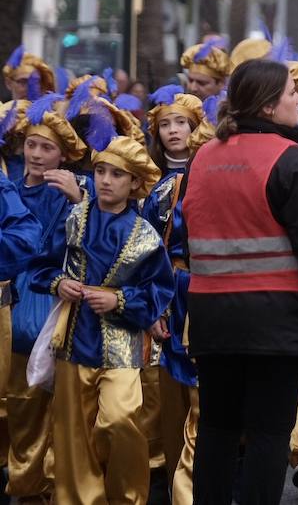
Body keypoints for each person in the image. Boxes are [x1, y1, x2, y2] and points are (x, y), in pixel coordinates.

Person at [183, 59, 298, 505]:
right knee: (267, 434)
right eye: (290, 92)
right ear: (267, 106)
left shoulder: (203, 157)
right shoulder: (290, 159)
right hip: (277, 321)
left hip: (212, 319)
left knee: (217, 429)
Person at [34, 131, 173, 505]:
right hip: (74, 338)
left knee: (120, 418)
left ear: (135, 183)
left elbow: (159, 291)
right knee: (74, 431)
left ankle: (127, 498)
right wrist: (59, 282)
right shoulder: (73, 219)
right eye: (100, 172)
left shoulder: (145, 235)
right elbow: (42, 266)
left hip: (122, 344)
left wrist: (120, 299)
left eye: (117, 174)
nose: (106, 181)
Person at [6, 94, 88, 505]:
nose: (36, 154)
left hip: (49, 298)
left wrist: (79, 199)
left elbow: (95, 241)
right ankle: (23, 482)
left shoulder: (70, 191)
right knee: (17, 401)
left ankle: (39, 488)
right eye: (31, 145)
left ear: (63, 155)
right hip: (11, 294)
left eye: (47, 148)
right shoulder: (9, 187)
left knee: (45, 400)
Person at [142, 86, 211, 505]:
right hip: (172, 290)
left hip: (208, 290)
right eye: (164, 124)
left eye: (181, 123)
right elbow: (147, 251)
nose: (173, 131)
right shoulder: (152, 186)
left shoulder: (212, 175)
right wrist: (154, 304)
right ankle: (168, 479)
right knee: (165, 391)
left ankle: (203, 482)